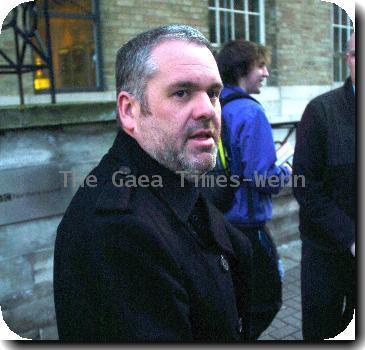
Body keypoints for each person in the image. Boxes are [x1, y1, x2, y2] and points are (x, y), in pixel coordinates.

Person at [53, 24, 254, 342]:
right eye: (182, 92)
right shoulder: (117, 231)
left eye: (213, 93)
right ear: (130, 110)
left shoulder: (176, 173)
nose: (208, 110)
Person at [216, 40, 292, 339]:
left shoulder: (215, 104)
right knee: (266, 302)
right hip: (247, 227)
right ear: (242, 69)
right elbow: (263, 179)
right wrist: (285, 171)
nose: (266, 72)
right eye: (260, 66)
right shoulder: (250, 112)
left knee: (231, 302)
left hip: (217, 218)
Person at [292, 32, 355, 340]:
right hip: (325, 253)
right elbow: (304, 185)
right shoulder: (321, 112)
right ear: (348, 59)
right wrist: (351, 237)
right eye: (358, 54)